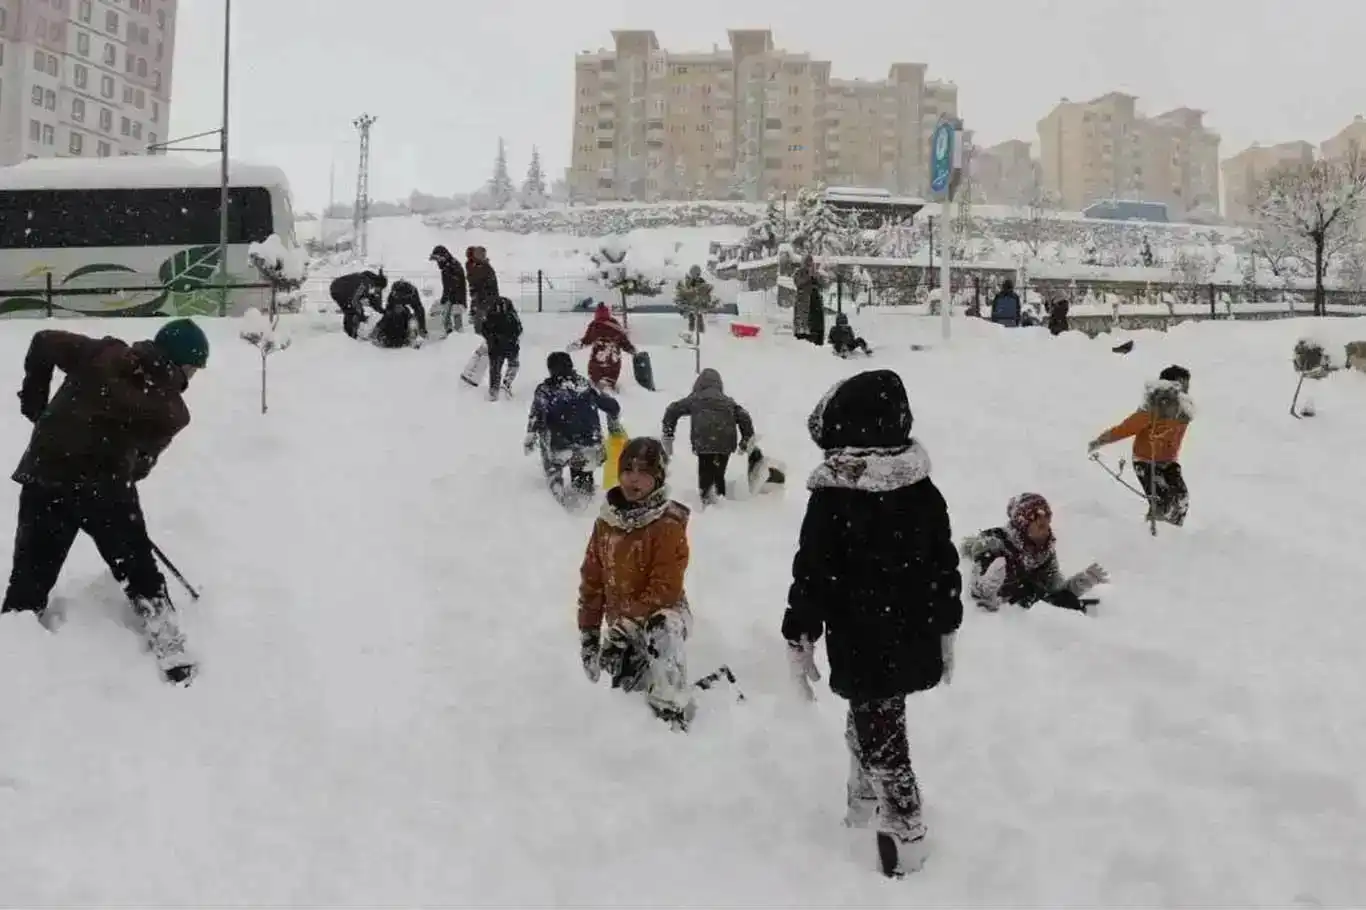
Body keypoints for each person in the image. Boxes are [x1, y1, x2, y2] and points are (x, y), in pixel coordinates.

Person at [782, 369, 961, 876]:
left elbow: (812, 569)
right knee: (878, 713)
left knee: (881, 730)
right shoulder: (922, 489)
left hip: (862, 633)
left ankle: (906, 833)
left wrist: (800, 628)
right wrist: (946, 622)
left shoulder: (837, 495)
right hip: (912, 628)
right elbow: (943, 563)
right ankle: (863, 802)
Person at [3, 319, 210, 684]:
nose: (192, 376)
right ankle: (169, 644)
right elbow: (142, 465)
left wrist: (36, 401)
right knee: (139, 571)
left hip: (44, 476)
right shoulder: (173, 411)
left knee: (29, 579)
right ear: (181, 364)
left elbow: (43, 341)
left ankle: (14, 644)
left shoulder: (100, 352)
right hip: (105, 492)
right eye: (193, 368)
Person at [578, 437, 695, 730]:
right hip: (620, 628)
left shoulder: (667, 525)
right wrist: (590, 634)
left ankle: (674, 708)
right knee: (628, 701)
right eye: (627, 470)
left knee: (662, 627)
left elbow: (665, 588)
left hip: (664, 617)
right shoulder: (606, 523)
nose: (634, 479)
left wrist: (626, 627)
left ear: (657, 479)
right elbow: (592, 580)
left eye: (644, 472)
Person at [961, 493, 1108, 615]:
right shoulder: (994, 543)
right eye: (1040, 525)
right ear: (1023, 525)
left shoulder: (1044, 553)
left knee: (1058, 598)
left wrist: (1080, 583)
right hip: (1002, 616)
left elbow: (1053, 593)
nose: (1046, 530)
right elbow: (972, 575)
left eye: (1047, 524)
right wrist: (985, 590)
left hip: (1029, 609)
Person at [1088, 365, 1193, 526]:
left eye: (1186, 386)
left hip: (1169, 461)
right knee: (1161, 501)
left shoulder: (1184, 410)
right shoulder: (1152, 410)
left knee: (1181, 498)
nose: (1184, 391)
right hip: (1146, 461)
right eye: (1180, 385)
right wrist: (1100, 441)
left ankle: (1174, 534)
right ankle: (1152, 535)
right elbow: (1125, 429)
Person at [524, 352, 622, 506]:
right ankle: (584, 496)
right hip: (590, 444)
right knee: (583, 470)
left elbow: (537, 416)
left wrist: (531, 437)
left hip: (560, 446)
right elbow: (612, 406)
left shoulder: (545, 390)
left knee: (545, 437)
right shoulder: (585, 386)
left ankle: (555, 484)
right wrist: (614, 421)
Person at [660, 368, 755, 505]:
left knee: (705, 470)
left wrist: (668, 432)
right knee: (719, 471)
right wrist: (746, 439)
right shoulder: (728, 401)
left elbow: (673, 409)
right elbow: (744, 416)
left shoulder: (695, 398)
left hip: (704, 440)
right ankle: (719, 496)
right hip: (726, 440)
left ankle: (708, 500)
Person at [571, 303, 635, 392]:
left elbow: (587, 340)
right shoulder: (615, 325)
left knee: (595, 384)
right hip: (614, 361)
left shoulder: (595, 325)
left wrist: (576, 345)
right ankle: (611, 390)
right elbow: (624, 342)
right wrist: (632, 350)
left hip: (597, 361)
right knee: (610, 382)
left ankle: (599, 392)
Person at [479, 295, 522, 400]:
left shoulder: (490, 317)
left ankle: (494, 391)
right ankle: (507, 382)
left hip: (495, 347)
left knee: (495, 369)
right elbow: (519, 329)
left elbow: (484, 330)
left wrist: (492, 339)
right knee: (513, 364)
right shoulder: (512, 316)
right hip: (510, 346)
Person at [329, 269, 387, 339]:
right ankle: (351, 336)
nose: (378, 291)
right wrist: (361, 315)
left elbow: (367, 297)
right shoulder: (365, 283)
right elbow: (355, 300)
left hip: (337, 288)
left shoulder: (365, 279)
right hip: (340, 291)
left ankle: (349, 334)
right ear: (378, 284)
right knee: (352, 311)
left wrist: (380, 309)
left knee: (351, 310)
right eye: (380, 288)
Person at [371, 280, 427, 349]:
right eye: (397, 305)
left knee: (411, 318)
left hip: (403, 334)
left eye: (399, 305)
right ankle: (388, 334)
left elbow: (419, 311)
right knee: (389, 316)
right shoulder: (392, 298)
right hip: (390, 333)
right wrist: (375, 333)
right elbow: (385, 316)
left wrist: (422, 329)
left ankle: (405, 336)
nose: (399, 307)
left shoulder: (413, 296)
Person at [429, 245, 467, 334]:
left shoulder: (451, 266)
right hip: (452, 296)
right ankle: (450, 335)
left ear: (443, 256)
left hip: (456, 297)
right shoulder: (447, 266)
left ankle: (457, 337)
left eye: (438, 258)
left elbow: (453, 285)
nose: (437, 261)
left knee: (454, 316)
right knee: (447, 317)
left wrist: (447, 297)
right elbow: (448, 285)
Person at [466, 246, 500, 334]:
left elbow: (487, 286)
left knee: (483, 324)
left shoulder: (485, 268)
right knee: (480, 324)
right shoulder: (475, 266)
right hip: (481, 300)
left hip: (486, 300)